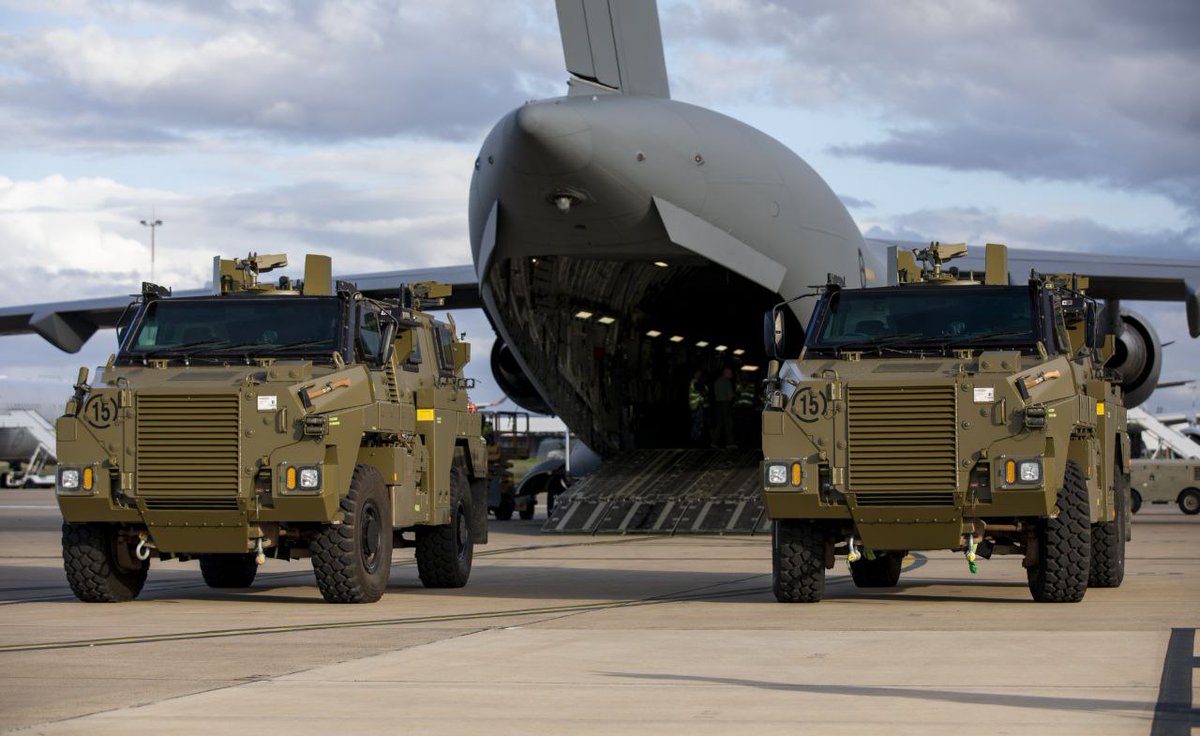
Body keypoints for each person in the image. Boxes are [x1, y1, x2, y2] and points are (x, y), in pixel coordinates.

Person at [713, 367, 735, 448]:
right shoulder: (727, 383)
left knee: (719, 424)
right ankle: (730, 443)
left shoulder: (717, 381)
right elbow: (730, 396)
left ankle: (714, 442)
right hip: (725, 404)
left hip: (718, 404)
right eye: (729, 373)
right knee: (728, 423)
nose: (731, 375)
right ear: (725, 373)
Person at [688, 370, 709, 445]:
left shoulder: (700, 383)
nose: (699, 375)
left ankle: (696, 437)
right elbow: (703, 392)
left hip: (699, 405)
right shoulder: (694, 382)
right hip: (696, 405)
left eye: (700, 373)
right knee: (698, 422)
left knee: (698, 422)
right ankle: (695, 438)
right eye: (697, 373)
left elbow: (705, 393)